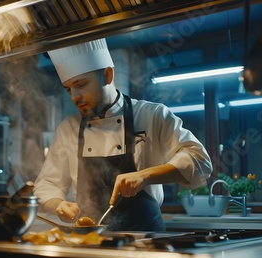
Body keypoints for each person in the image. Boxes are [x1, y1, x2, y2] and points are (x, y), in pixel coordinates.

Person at [33, 38, 212, 231]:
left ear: (107, 75)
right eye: (68, 89)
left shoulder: (153, 115)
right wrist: (58, 205)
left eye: (82, 84)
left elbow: (200, 161)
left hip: (146, 239)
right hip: (91, 239)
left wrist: (145, 176)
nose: (75, 96)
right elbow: (46, 184)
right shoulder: (68, 128)